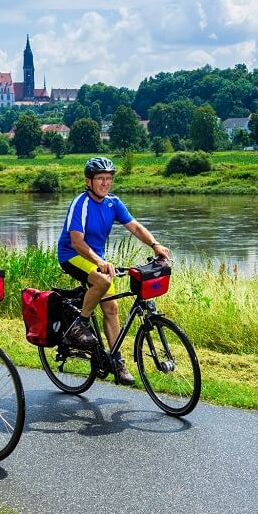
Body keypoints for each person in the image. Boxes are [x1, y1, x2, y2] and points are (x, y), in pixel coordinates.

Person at [57, 156, 170, 385]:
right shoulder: (81, 203)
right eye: (100, 178)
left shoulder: (113, 203)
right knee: (103, 282)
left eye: (108, 178)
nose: (105, 183)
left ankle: (116, 361)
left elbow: (135, 227)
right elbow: (77, 241)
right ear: (88, 181)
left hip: (96, 260)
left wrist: (155, 245)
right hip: (73, 256)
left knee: (112, 307)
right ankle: (80, 325)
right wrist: (99, 261)